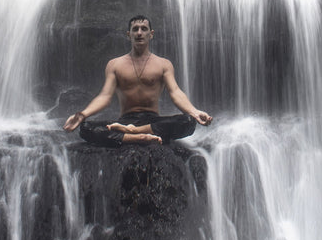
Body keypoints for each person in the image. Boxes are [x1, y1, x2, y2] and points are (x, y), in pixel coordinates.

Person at [62, 15, 213, 146]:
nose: (139, 33)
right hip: (124, 120)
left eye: (144, 29)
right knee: (86, 127)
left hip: (153, 122)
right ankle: (136, 137)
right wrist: (82, 115)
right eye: (135, 29)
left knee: (188, 121)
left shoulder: (163, 64)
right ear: (129, 35)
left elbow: (175, 92)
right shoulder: (115, 64)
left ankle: (133, 133)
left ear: (151, 34)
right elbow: (105, 96)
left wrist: (194, 112)